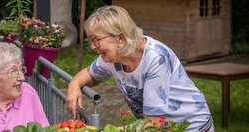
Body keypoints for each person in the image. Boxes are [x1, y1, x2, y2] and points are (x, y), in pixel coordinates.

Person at [67, 5, 214, 132]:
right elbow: (90, 75)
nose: (93, 46)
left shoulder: (156, 58)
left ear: (120, 38)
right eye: (91, 40)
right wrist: (74, 84)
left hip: (192, 126)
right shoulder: (112, 57)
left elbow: (154, 124)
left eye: (97, 40)